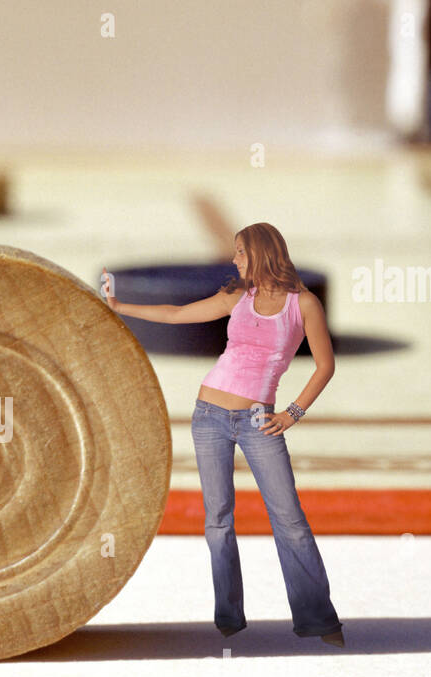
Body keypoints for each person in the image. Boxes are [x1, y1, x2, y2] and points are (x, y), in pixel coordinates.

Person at [104, 223, 345, 647]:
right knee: (218, 520)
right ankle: (229, 618)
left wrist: (292, 413)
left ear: (261, 252)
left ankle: (318, 619)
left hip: (259, 420)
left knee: (290, 521)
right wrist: (120, 306)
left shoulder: (303, 304)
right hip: (208, 416)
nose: (234, 260)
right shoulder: (237, 297)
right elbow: (177, 314)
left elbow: (324, 365)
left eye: (240, 252)